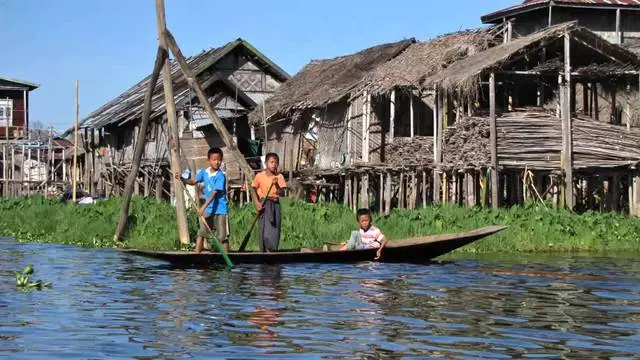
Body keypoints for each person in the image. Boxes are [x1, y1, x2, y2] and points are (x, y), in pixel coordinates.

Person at [179, 147, 229, 253]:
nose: (217, 162)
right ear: (209, 160)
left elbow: (214, 193)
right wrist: (183, 179)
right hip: (208, 210)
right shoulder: (204, 172)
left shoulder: (220, 176)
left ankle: (226, 258)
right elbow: (193, 181)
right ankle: (197, 255)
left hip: (220, 209)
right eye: (214, 160)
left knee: (222, 236)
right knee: (201, 232)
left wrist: (203, 207)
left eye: (219, 160)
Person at [252, 152, 287, 252]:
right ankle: (264, 250)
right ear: (266, 163)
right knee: (265, 229)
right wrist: (256, 203)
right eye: (271, 162)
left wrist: (276, 185)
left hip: (275, 205)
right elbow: (253, 190)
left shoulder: (279, 177)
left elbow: (282, 193)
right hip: (264, 205)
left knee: (274, 228)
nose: (274, 164)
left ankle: (272, 251)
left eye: (276, 162)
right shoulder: (259, 176)